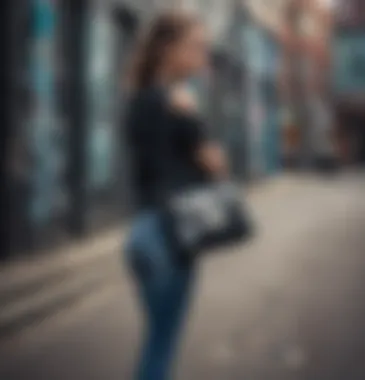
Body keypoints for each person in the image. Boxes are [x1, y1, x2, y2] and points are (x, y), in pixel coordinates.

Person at [123, 11, 227, 380]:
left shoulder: (137, 98)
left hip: (141, 234)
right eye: (195, 46)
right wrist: (194, 119)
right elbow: (215, 164)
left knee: (156, 342)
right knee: (161, 349)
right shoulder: (177, 101)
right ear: (168, 49)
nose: (203, 56)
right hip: (170, 237)